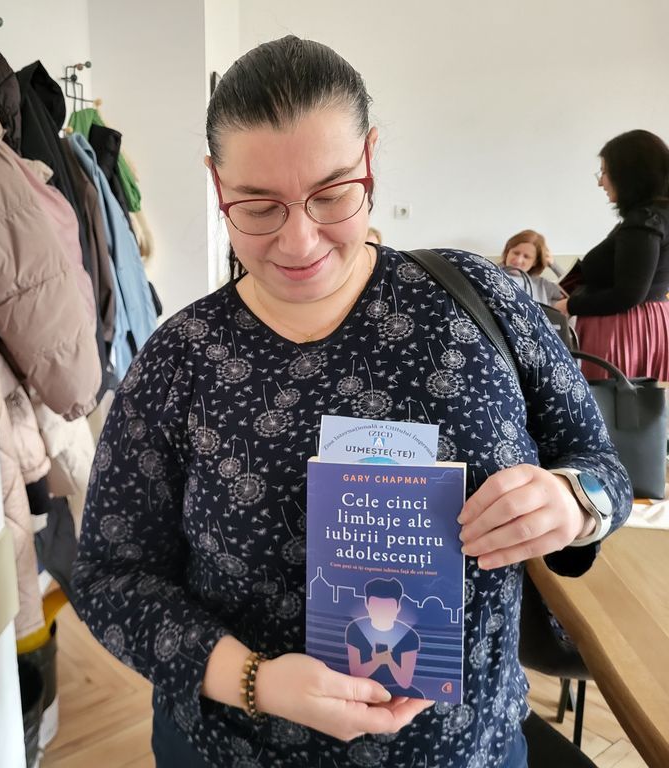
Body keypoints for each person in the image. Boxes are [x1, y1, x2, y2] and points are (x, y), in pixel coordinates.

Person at [71, 36, 631, 768]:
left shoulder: (480, 301)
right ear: (216, 184)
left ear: (369, 157)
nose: (300, 241)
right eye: (258, 207)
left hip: (470, 748)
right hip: (237, 751)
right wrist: (255, 680)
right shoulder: (180, 361)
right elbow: (110, 579)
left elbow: (601, 468)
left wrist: (573, 502)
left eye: (332, 195)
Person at [553, 130, 669, 380]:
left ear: (629, 175)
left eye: (604, 172)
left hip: (624, 329)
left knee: (615, 401)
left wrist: (569, 305)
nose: (600, 182)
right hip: (648, 322)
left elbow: (628, 294)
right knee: (642, 402)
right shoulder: (655, 218)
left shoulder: (643, 222)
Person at [345, 578, 424, 699]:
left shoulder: (409, 635)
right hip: (360, 688)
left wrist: (389, 661)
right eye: (377, 606)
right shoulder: (355, 629)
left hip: (399, 691)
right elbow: (354, 674)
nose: (382, 612)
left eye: (388, 608)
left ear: (398, 608)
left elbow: (405, 682)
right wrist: (375, 662)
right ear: (367, 605)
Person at [500, 229, 565, 306]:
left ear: (535, 262)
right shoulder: (491, 273)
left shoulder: (542, 285)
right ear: (508, 252)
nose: (518, 260)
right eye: (516, 253)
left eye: (526, 257)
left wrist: (553, 264)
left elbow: (574, 293)